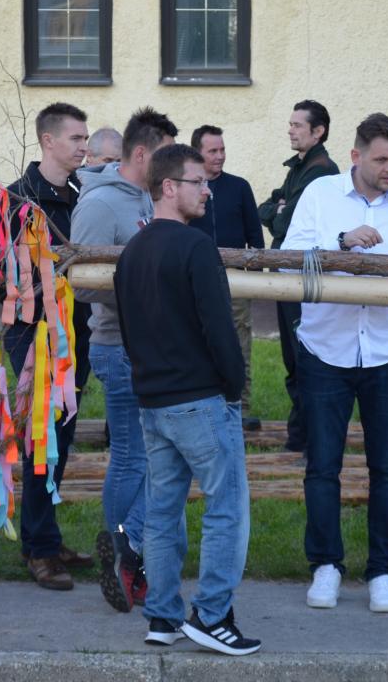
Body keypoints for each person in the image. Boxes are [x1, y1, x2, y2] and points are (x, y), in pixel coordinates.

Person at [114, 143, 259, 656]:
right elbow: (220, 328)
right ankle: (213, 617)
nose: (207, 191)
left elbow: (128, 331)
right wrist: (234, 387)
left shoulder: (132, 252)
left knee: (163, 511)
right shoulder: (196, 247)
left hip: (154, 402)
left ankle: (162, 616)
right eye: (198, 182)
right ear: (169, 187)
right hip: (200, 400)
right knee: (227, 509)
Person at [282, 113, 388, 614]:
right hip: (325, 349)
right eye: (381, 159)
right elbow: (287, 257)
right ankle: (325, 566)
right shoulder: (319, 194)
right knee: (323, 466)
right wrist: (341, 243)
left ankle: (383, 572)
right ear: (355, 156)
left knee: (387, 469)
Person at [71, 106, 178, 612]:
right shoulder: (100, 204)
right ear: (141, 154)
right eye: (165, 155)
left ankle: (125, 553)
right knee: (137, 457)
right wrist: (145, 294)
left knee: (155, 455)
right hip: (118, 347)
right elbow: (83, 284)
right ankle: (124, 548)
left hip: (155, 346)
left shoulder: (149, 198)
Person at [3, 103, 95, 590]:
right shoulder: (17, 200)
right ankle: (39, 550)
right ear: (48, 141)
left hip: (77, 331)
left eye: (85, 138)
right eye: (76, 138)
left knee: (62, 435)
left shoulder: (83, 195)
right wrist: (44, 292)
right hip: (35, 334)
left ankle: (47, 537)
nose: (85, 146)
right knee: (43, 438)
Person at [258, 100, 339, 454]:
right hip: (288, 274)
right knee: (294, 358)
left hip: (303, 278)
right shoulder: (300, 167)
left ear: (318, 131)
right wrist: (276, 210)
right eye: (290, 124)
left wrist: (278, 212)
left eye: (297, 125)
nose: (290, 130)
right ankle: (302, 436)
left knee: (304, 357)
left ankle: (304, 439)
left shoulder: (321, 171)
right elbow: (267, 208)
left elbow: (282, 222)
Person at [188, 124, 265, 432]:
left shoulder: (239, 187)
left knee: (239, 343)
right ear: (197, 153)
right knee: (198, 342)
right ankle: (201, 404)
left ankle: (240, 406)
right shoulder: (187, 188)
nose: (220, 156)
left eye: (222, 150)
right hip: (194, 281)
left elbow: (255, 235)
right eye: (213, 151)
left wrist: (255, 276)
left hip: (236, 283)